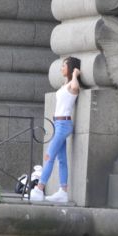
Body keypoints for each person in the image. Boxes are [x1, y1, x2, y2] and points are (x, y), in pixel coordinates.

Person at [30, 56, 81, 204]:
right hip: (58, 124)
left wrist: (75, 75)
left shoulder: (73, 84)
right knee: (61, 160)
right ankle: (63, 192)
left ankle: (39, 189)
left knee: (49, 156)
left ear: (71, 68)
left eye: (64, 66)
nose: (61, 68)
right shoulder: (65, 85)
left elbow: (76, 88)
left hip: (64, 125)